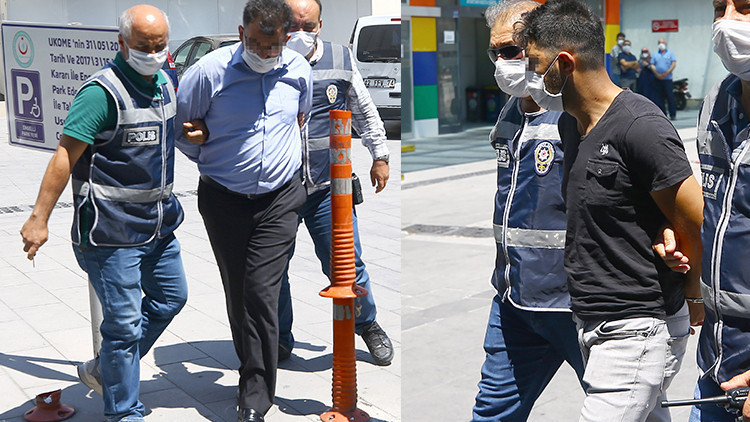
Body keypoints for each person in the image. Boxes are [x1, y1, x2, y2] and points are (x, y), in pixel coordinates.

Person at [517, 0, 705, 420]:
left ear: (565, 63)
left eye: (534, 63)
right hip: (591, 321)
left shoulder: (640, 126)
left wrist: (694, 291)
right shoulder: (570, 124)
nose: (528, 75)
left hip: (638, 327)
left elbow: (695, 216)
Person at [20, 5, 188, 421]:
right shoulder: (100, 94)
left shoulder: (165, 84)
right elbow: (64, 154)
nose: (153, 54)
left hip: (158, 226)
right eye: (144, 46)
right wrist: (39, 217)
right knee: (124, 326)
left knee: (172, 297)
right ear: (122, 43)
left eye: (160, 45)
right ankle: (123, 411)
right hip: (110, 233)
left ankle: (105, 370)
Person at [173, 0, 311, 420]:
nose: (265, 53)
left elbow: (300, 118)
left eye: (273, 46)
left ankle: (255, 394)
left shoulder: (298, 69)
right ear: (240, 33)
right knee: (238, 291)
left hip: (280, 199)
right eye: (255, 43)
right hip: (224, 200)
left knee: (260, 290)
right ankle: (252, 362)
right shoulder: (208, 73)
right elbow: (182, 130)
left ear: (286, 37)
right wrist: (213, 154)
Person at [470, 1, 585, 420]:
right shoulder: (511, 111)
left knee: (632, 412)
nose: (503, 63)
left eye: (512, 50)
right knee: (491, 412)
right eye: (496, 52)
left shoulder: (581, 111)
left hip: (578, 306)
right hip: (514, 301)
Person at [279, 0, 393, 366]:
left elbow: (363, 108)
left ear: (320, 25)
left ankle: (367, 324)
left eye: (308, 26)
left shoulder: (340, 58)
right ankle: (278, 339)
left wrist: (380, 155)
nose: (300, 33)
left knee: (347, 265)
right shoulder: (267, 58)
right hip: (278, 190)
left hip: (329, 189)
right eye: (292, 26)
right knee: (273, 269)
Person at [653, 1, 750, 420]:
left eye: (745, 7)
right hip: (716, 362)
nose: (726, 22)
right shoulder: (716, 102)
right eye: (718, 8)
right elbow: (718, 209)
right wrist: (674, 233)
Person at [651, 38, 677, 120]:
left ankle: (672, 114)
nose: (661, 44)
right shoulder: (655, 54)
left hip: (668, 79)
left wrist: (666, 73)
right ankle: (663, 114)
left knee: (670, 97)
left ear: (665, 44)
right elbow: (652, 65)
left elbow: (673, 64)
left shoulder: (670, 53)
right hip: (658, 79)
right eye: (659, 43)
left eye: (662, 42)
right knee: (660, 98)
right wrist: (657, 74)